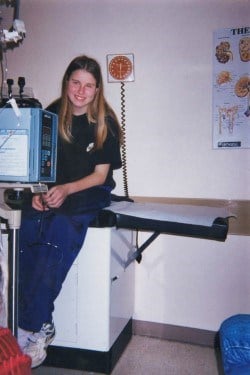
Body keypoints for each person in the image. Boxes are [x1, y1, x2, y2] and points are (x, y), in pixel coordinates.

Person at [17, 55, 122, 368]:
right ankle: (20, 319)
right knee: (27, 223)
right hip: (54, 189)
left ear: (97, 89)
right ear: (66, 83)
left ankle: (37, 324)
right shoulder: (50, 115)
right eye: (76, 82)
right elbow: (39, 164)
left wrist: (65, 190)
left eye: (89, 85)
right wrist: (36, 194)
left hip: (89, 191)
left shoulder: (105, 121)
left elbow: (100, 176)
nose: (81, 90)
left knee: (60, 227)